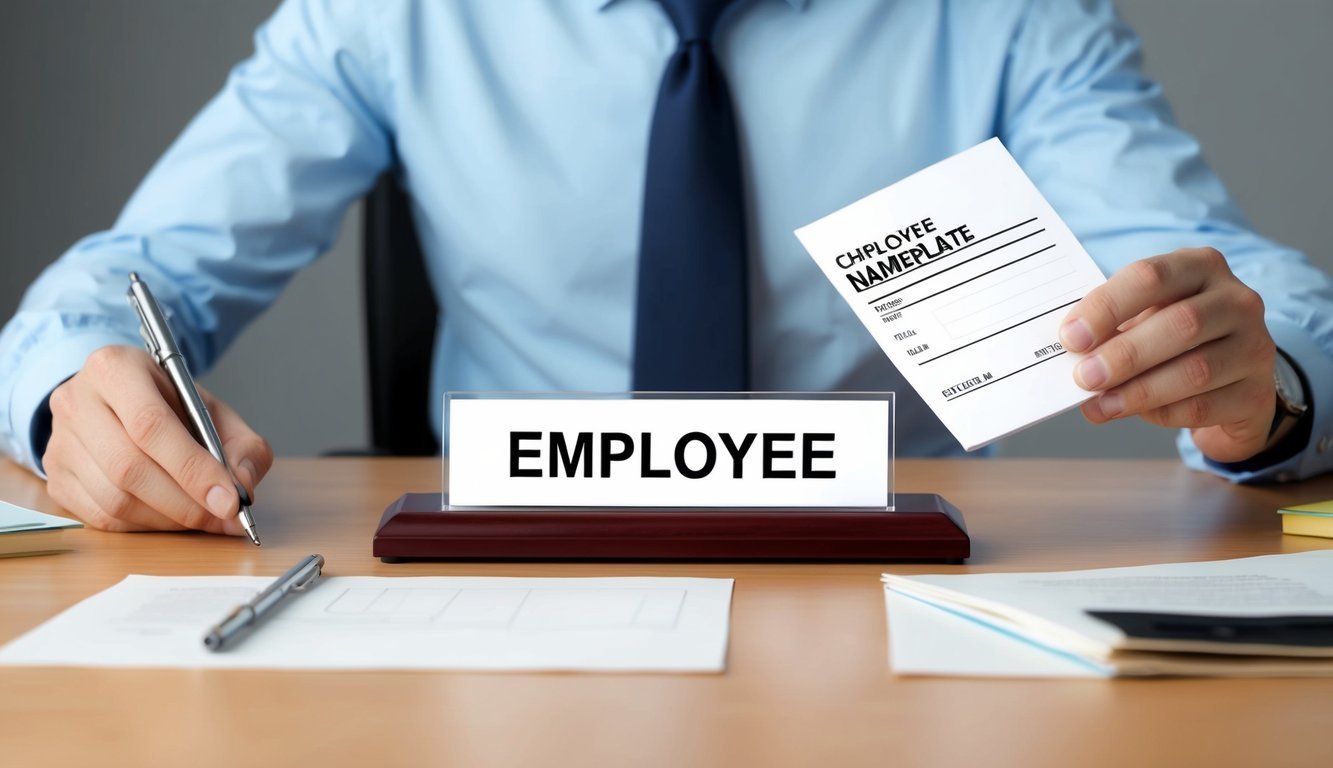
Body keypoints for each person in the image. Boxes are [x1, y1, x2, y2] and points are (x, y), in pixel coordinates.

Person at [2, 0, 1330, 535]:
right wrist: (74, 395)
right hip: (496, 596)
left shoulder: (1008, 14)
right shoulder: (389, 9)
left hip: (893, 589)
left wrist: (1263, 383)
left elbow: (1234, 290)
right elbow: (129, 276)